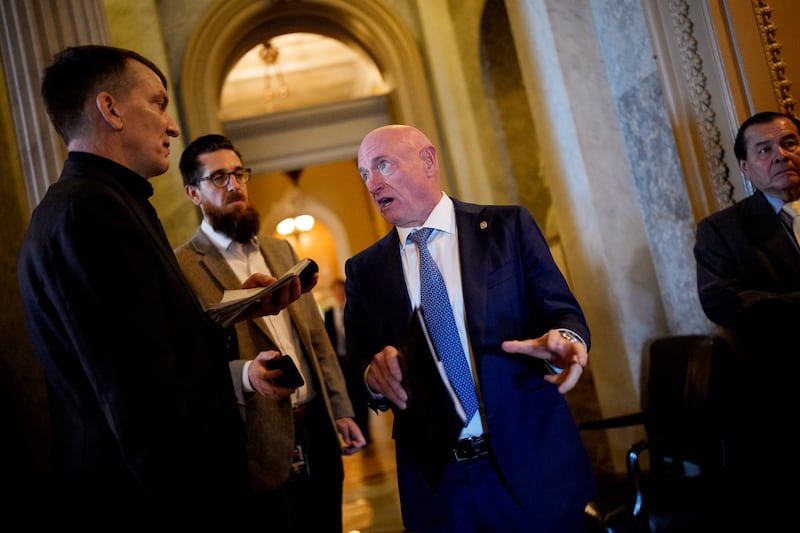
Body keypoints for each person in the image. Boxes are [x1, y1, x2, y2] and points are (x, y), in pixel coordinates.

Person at [16, 45, 308, 529]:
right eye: (157, 103)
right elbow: (137, 397)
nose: (172, 126)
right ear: (109, 109)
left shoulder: (101, 202)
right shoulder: (92, 213)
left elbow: (151, 341)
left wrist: (234, 309)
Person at [344, 124, 595, 532]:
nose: (372, 183)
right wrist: (372, 378)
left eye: (382, 165)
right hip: (439, 487)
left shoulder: (507, 227)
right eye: (364, 174)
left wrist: (565, 342)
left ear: (428, 161)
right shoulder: (365, 271)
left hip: (532, 464)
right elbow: (357, 361)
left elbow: (563, 315)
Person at [175, 133, 366, 532]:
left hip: (316, 426)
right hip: (255, 440)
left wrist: (341, 408)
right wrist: (244, 374)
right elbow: (189, 361)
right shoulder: (183, 267)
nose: (235, 185)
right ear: (194, 193)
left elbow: (316, 338)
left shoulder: (281, 251)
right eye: (219, 178)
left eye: (239, 173)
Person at [694, 110, 800, 529]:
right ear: (745, 167)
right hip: (783, 399)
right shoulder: (722, 230)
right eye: (764, 149)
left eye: (789, 143)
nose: (780, 155)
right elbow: (722, 301)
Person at [325, 277, 371, 445]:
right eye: (335, 290)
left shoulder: (354, 309)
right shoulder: (329, 313)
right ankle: (356, 429)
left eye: (340, 289)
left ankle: (365, 433)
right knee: (348, 397)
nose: (338, 293)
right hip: (340, 361)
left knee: (360, 397)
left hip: (355, 360)